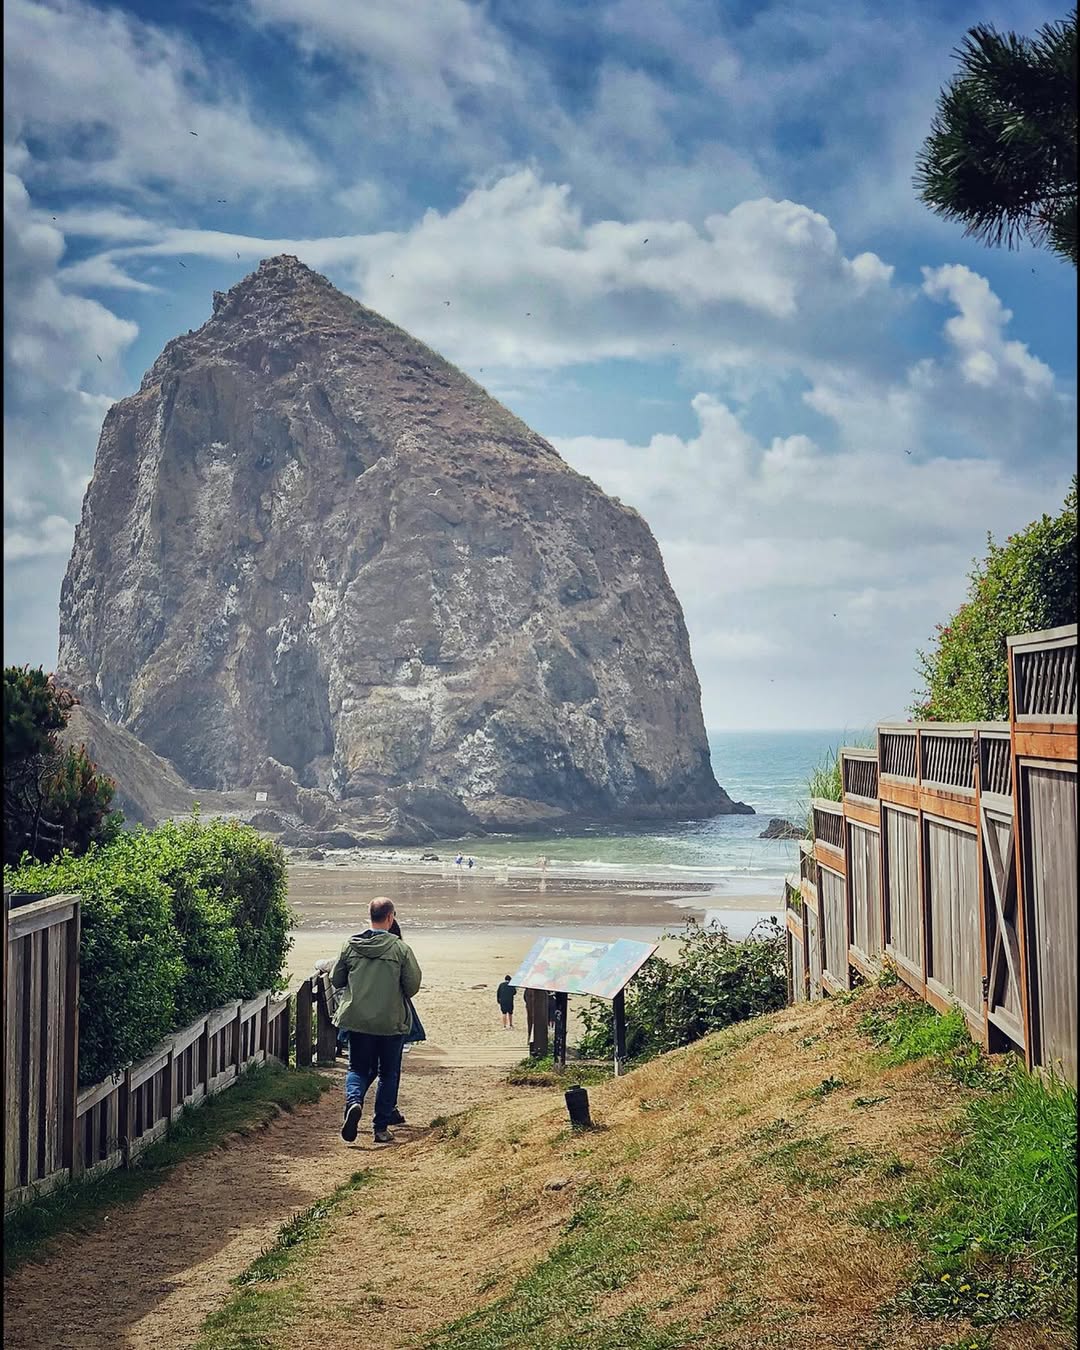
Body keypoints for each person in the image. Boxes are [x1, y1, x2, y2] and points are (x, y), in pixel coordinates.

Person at [332, 896, 421, 1145]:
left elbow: (336, 979)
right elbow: (412, 985)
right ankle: (380, 1128)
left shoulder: (350, 946)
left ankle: (354, 1102)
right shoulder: (401, 949)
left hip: (358, 1019)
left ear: (369, 916)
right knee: (388, 1073)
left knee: (358, 1068)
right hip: (391, 1021)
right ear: (391, 917)